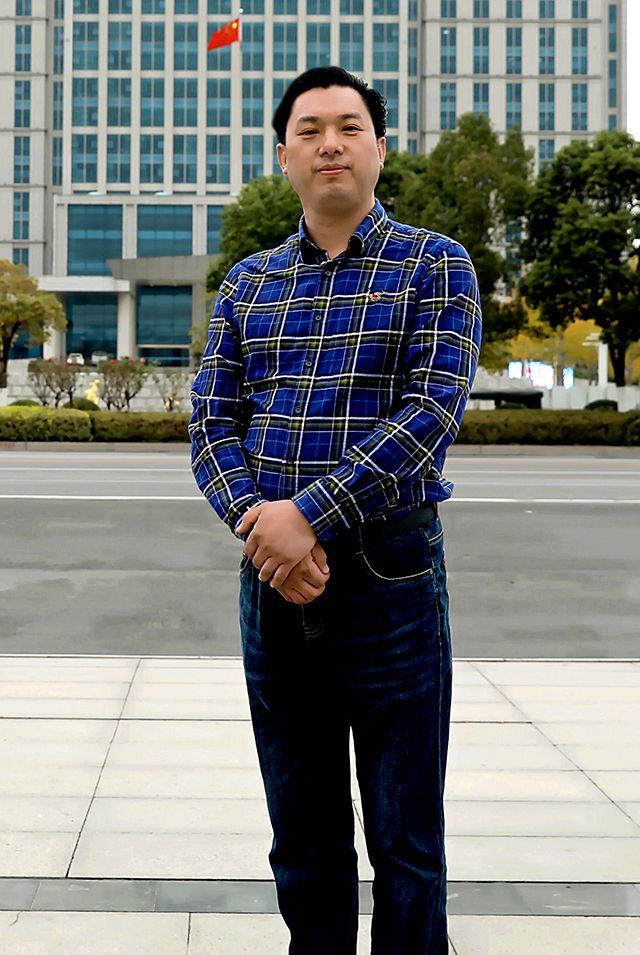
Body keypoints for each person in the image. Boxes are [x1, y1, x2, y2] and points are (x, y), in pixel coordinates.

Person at [189, 66, 482, 955]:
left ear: (380, 149)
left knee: (405, 838)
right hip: (272, 580)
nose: (330, 144)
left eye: (349, 127)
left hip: (389, 577)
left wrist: (307, 516)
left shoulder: (435, 264)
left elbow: (430, 413)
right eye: (309, 130)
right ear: (283, 156)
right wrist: (260, 524)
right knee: (303, 835)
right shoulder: (248, 283)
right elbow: (211, 421)